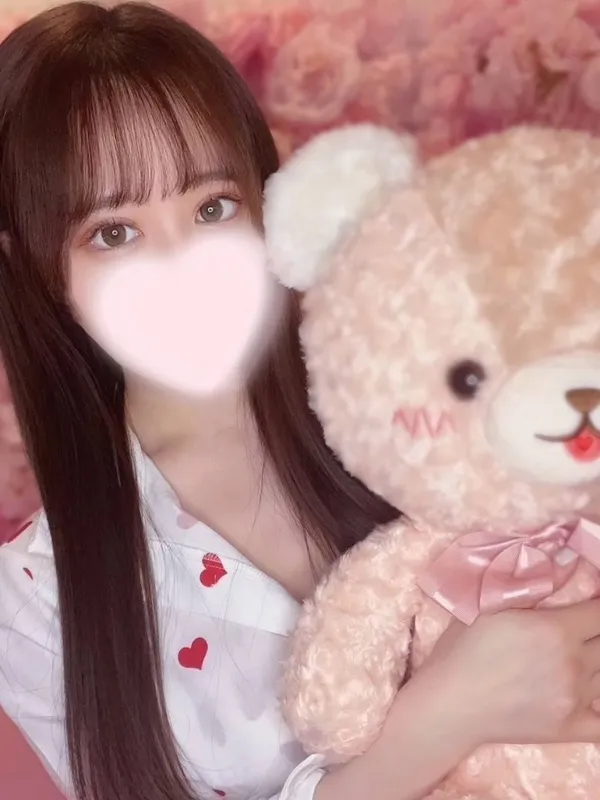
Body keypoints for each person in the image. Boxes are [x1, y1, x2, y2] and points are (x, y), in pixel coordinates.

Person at [2, 3, 600, 800]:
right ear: (33, 266)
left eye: (212, 207)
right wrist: (442, 720)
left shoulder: (417, 385)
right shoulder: (33, 604)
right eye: (114, 233)